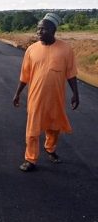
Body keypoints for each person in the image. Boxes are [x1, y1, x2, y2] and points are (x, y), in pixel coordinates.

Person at [13, 13, 79, 172]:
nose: (39, 32)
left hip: (56, 98)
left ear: (53, 30)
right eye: (38, 29)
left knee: (54, 127)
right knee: (32, 130)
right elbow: (25, 75)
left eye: (43, 29)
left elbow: (71, 74)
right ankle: (30, 159)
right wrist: (17, 93)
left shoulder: (65, 49)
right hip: (36, 98)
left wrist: (76, 94)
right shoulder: (31, 49)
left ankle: (50, 148)